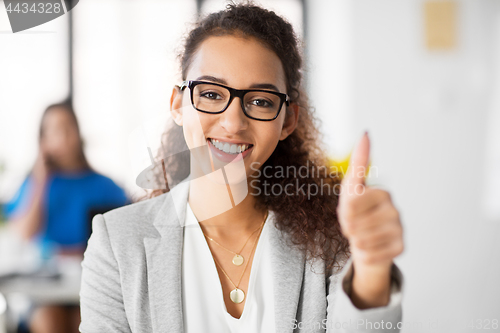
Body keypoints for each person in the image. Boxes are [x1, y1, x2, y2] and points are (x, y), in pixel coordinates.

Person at [80, 3, 405, 332]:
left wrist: (372, 270)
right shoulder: (117, 242)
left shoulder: (329, 236)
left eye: (261, 100)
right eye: (210, 93)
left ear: (287, 120)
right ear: (178, 105)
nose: (233, 123)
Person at [4, 101, 129, 333]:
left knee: (84, 321)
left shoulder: (105, 186)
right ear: (42, 139)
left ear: (77, 132)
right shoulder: (35, 184)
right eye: (53, 130)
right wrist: (40, 177)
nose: (61, 136)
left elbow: (127, 237)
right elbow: (22, 233)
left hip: (91, 283)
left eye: (66, 128)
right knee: (50, 321)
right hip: (45, 289)